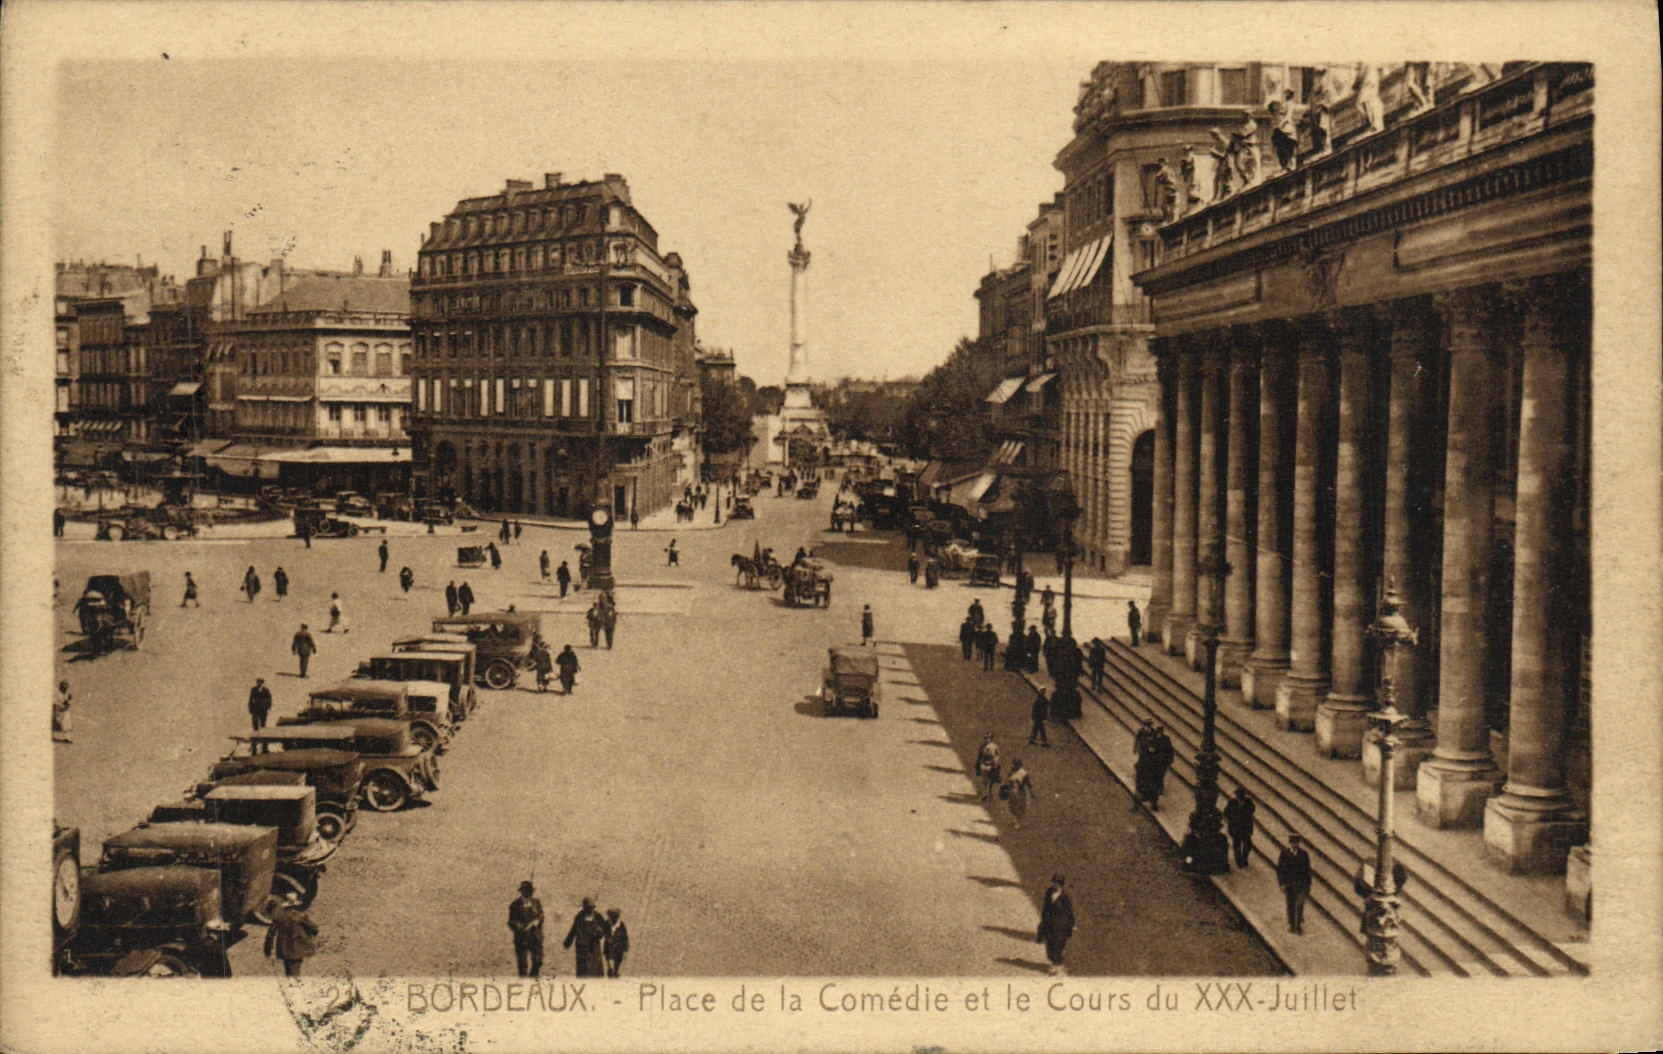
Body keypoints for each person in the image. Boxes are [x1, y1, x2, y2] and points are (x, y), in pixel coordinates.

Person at [263, 892, 319, 977]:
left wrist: (268, 949)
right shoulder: (300, 916)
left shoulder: (279, 917)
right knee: (295, 972)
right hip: (297, 949)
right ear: (296, 905)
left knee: (288, 972)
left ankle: (290, 987)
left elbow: (271, 932)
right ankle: (294, 989)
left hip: (284, 949)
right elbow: (314, 929)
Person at [1037, 875, 1076, 977]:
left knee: (1058, 945)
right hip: (1049, 923)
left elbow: (1069, 911)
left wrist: (1072, 924)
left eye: (1057, 884)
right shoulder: (1049, 892)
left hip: (1061, 925)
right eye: (1054, 883)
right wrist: (1043, 920)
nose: (1055, 885)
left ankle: (1055, 965)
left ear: (1061, 885)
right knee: (1049, 945)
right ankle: (1055, 961)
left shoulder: (1065, 896)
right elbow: (1045, 907)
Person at [1276, 834, 1313, 934]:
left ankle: (1298, 925)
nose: (1295, 844)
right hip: (1289, 884)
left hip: (1301, 884)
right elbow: (1280, 870)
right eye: (1293, 842)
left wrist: (1308, 884)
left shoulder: (1304, 854)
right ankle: (1292, 924)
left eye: (1297, 842)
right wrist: (1281, 883)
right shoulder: (1284, 853)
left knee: (1300, 904)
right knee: (1291, 904)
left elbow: (1307, 869)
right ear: (1290, 843)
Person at [563, 896, 609, 976]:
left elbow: (605, 929)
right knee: (584, 972)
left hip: (594, 948)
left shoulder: (598, 916)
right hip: (582, 948)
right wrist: (567, 942)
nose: (590, 910)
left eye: (592, 908)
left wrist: (599, 933)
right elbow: (573, 930)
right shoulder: (579, 917)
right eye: (588, 908)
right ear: (584, 907)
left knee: (595, 971)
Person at [508, 881, 545, 977]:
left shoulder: (536, 902)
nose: (529, 893)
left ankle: (533, 978)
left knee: (538, 961)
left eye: (530, 891)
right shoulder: (515, 905)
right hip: (522, 938)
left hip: (535, 936)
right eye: (527, 891)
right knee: (523, 964)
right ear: (522, 892)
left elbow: (541, 916)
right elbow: (511, 921)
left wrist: (534, 923)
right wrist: (521, 927)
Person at [1224, 788, 1258, 870]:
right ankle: (1239, 861)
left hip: (1246, 828)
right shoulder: (1232, 802)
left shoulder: (1248, 803)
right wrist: (1232, 820)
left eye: (1240, 796)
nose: (1238, 797)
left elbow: (1252, 810)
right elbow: (1226, 812)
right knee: (1237, 845)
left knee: (1248, 845)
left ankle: (1244, 858)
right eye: (1237, 796)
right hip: (1235, 828)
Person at [1004, 758, 1032, 829]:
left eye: (1017, 765)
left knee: (1019, 805)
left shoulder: (1023, 773)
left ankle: (1017, 822)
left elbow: (1027, 783)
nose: (1016, 766)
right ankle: (1017, 819)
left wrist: (1031, 792)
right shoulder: (1011, 771)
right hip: (1012, 790)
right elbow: (1007, 780)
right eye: (1015, 765)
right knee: (1011, 807)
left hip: (1020, 791)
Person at [975, 733, 1002, 802]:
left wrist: (995, 760)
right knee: (984, 780)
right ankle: (985, 795)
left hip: (991, 765)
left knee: (991, 780)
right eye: (986, 738)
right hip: (983, 764)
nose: (987, 740)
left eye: (988, 738)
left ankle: (989, 792)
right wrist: (977, 763)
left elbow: (998, 755)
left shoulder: (994, 746)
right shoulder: (982, 746)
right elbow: (979, 755)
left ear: (991, 739)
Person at [603, 908, 629, 978]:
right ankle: (610, 980)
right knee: (611, 969)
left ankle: (616, 984)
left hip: (619, 950)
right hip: (609, 950)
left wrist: (625, 951)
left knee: (617, 971)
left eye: (615, 917)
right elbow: (602, 933)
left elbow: (625, 939)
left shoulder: (621, 925)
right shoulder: (607, 923)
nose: (613, 919)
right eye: (611, 917)